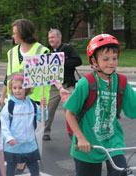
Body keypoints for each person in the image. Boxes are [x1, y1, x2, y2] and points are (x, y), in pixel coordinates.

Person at [64, 34, 136, 176]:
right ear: (94, 61)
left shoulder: (121, 82)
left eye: (114, 58)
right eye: (106, 59)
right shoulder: (86, 83)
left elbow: (133, 110)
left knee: (121, 173)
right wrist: (80, 138)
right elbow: (69, 113)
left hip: (113, 143)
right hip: (88, 145)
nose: (111, 63)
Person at [0, 19, 51, 174]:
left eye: (15, 33)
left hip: (36, 100)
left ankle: (33, 161)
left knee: (35, 134)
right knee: (17, 131)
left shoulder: (42, 51)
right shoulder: (11, 53)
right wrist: (2, 96)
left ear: (22, 33)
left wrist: (61, 89)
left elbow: (51, 75)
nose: (13, 36)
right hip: (15, 98)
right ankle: (20, 161)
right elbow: (8, 76)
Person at [0, 74, 47, 176]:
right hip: (14, 145)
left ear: (26, 88)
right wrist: (8, 138)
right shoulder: (9, 106)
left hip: (30, 144)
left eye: (20, 88)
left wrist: (43, 108)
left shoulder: (32, 104)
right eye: (14, 88)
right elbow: (3, 124)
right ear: (11, 89)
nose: (17, 90)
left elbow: (42, 118)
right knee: (10, 169)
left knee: (35, 169)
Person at [43, 29, 82, 141]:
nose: (50, 40)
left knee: (70, 110)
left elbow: (78, 61)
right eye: (49, 38)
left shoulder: (68, 48)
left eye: (52, 37)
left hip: (67, 84)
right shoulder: (47, 50)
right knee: (49, 109)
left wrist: (61, 62)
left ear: (59, 38)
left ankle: (74, 134)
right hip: (54, 86)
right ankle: (46, 131)